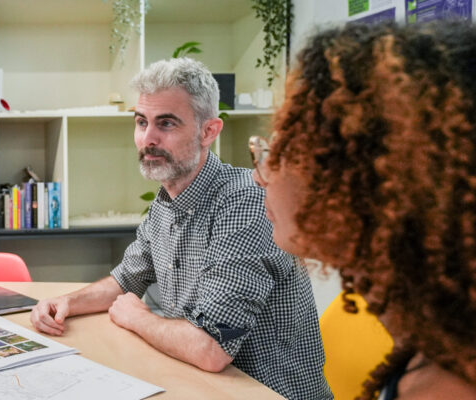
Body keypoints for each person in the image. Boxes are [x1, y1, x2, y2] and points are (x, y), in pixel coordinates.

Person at [30, 57, 331, 399]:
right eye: (141, 122)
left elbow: (211, 348)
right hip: (204, 387)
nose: (148, 138)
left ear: (209, 131)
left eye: (166, 123)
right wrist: (65, 303)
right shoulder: (166, 201)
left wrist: (138, 318)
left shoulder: (245, 202)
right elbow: (125, 279)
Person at [250, 22, 476, 400]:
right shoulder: (433, 331)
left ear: (359, 176)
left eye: (282, 146)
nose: (261, 175)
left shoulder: (448, 386)